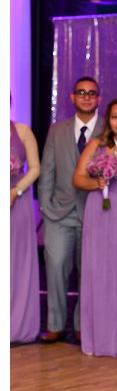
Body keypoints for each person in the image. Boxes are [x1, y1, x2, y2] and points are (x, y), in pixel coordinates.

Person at [73, 97, 117, 359]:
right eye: (115, 117)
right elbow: (77, 178)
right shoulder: (96, 145)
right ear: (108, 120)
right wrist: (98, 183)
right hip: (99, 214)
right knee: (99, 273)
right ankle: (99, 337)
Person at [37, 74, 100, 344]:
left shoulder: (108, 131)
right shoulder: (57, 130)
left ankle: (83, 326)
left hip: (95, 215)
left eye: (91, 93)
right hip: (58, 215)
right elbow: (47, 171)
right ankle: (54, 325)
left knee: (89, 272)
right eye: (80, 92)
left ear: (98, 99)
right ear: (72, 97)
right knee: (55, 269)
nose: (86, 96)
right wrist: (45, 207)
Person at [11, 115, 42, 343]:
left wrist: (16, 191)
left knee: (15, 263)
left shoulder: (21, 131)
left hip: (15, 203)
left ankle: (15, 325)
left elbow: (34, 168)